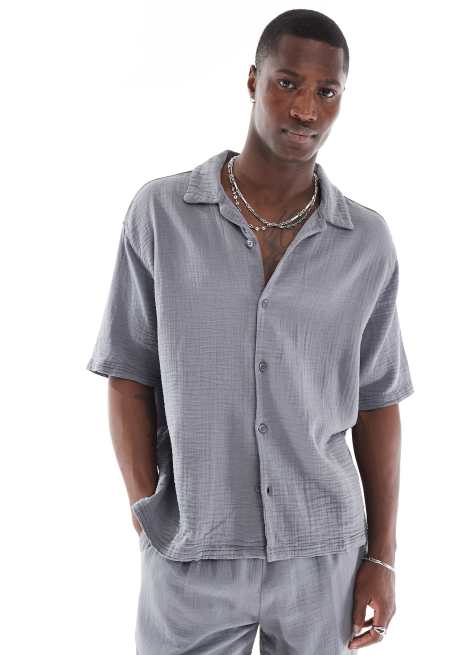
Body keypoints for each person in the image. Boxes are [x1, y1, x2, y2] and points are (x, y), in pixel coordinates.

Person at [86, 9, 414, 654]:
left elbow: (378, 403)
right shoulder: (162, 214)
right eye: (288, 83)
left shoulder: (366, 242)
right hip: (192, 551)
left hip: (322, 553)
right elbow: (128, 374)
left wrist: (382, 557)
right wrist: (146, 514)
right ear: (252, 81)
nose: (306, 110)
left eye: (327, 91)